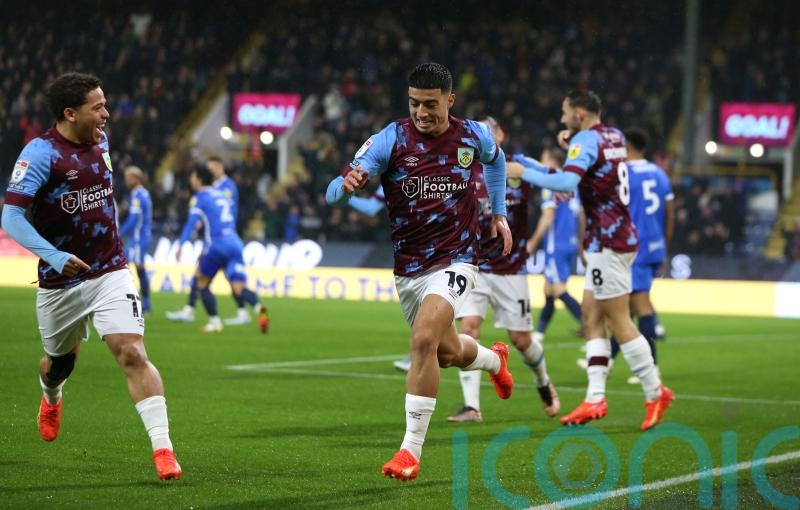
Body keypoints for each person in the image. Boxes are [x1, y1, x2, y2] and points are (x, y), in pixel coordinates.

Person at [325, 63, 514, 481]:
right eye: (414, 103)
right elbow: (332, 192)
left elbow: (498, 162)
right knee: (445, 353)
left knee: (423, 339)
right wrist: (348, 186)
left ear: (450, 100)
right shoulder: (390, 139)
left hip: (458, 258)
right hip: (409, 268)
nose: (421, 112)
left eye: (431, 104)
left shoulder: (472, 135)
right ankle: (493, 361)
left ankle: (409, 452)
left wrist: (498, 213)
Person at [0, 72, 181, 479]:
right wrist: (53, 254)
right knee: (59, 364)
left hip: (110, 268)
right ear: (70, 113)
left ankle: (163, 450)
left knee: (132, 352)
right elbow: (11, 215)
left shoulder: (101, 141)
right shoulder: (40, 154)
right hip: (60, 280)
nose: (106, 113)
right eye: (97, 106)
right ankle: (51, 395)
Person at [519, 90, 673, 431]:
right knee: (590, 315)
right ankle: (595, 397)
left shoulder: (588, 139)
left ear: (580, 113)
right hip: (612, 237)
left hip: (609, 239)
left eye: (565, 112)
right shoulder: (614, 135)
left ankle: (655, 391)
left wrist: (524, 170)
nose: (562, 119)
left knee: (619, 320)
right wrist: (573, 138)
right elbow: (595, 151)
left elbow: (565, 181)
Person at [448, 117, 559, 423]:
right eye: (480, 132)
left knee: (521, 340)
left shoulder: (518, 165)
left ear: (501, 134)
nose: (486, 137)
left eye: (490, 131)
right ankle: (472, 407)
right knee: (468, 329)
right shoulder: (466, 166)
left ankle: (542, 381)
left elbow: (556, 176)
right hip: (475, 264)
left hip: (511, 268)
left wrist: (555, 186)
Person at [608, 128, 674, 384]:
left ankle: (651, 368)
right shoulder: (660, 174)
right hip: (655, 246)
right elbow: (670, 211)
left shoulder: (625, 174)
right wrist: (664, 245)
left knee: (639, 306)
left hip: (635, 247)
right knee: (628, 307)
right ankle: (609, 360)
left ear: (627, 148)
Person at [166, 157, 262, 326]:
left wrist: (181, 244)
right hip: (234, 241)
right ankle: (258, 308)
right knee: (236, 285)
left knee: (201, 280)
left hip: (217, 243)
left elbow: (191, 223)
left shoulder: (202, 196)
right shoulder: (220, 193)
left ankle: (213, 320)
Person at [514, 148, 585, 344]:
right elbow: (580, 216)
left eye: (543, 160)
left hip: (556, 245)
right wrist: (580, 243)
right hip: (569, 244)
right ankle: (539, 334)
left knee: (558, 290)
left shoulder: (551, 184)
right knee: (547, 291)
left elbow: (548, 216)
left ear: (551, 162)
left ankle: (589, 324)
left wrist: (533, 242)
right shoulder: (573, 184)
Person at [119, 165, 153, 314]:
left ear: (136, 179)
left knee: (132, 269)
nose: (126, 181)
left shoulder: (138, 195)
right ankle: (141, 302)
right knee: (126, 267)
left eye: (129, 178)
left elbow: (133, 220)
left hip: (139, 238)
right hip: (138, 237)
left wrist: (118, 233)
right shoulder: (142, 194)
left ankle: (143, 303)